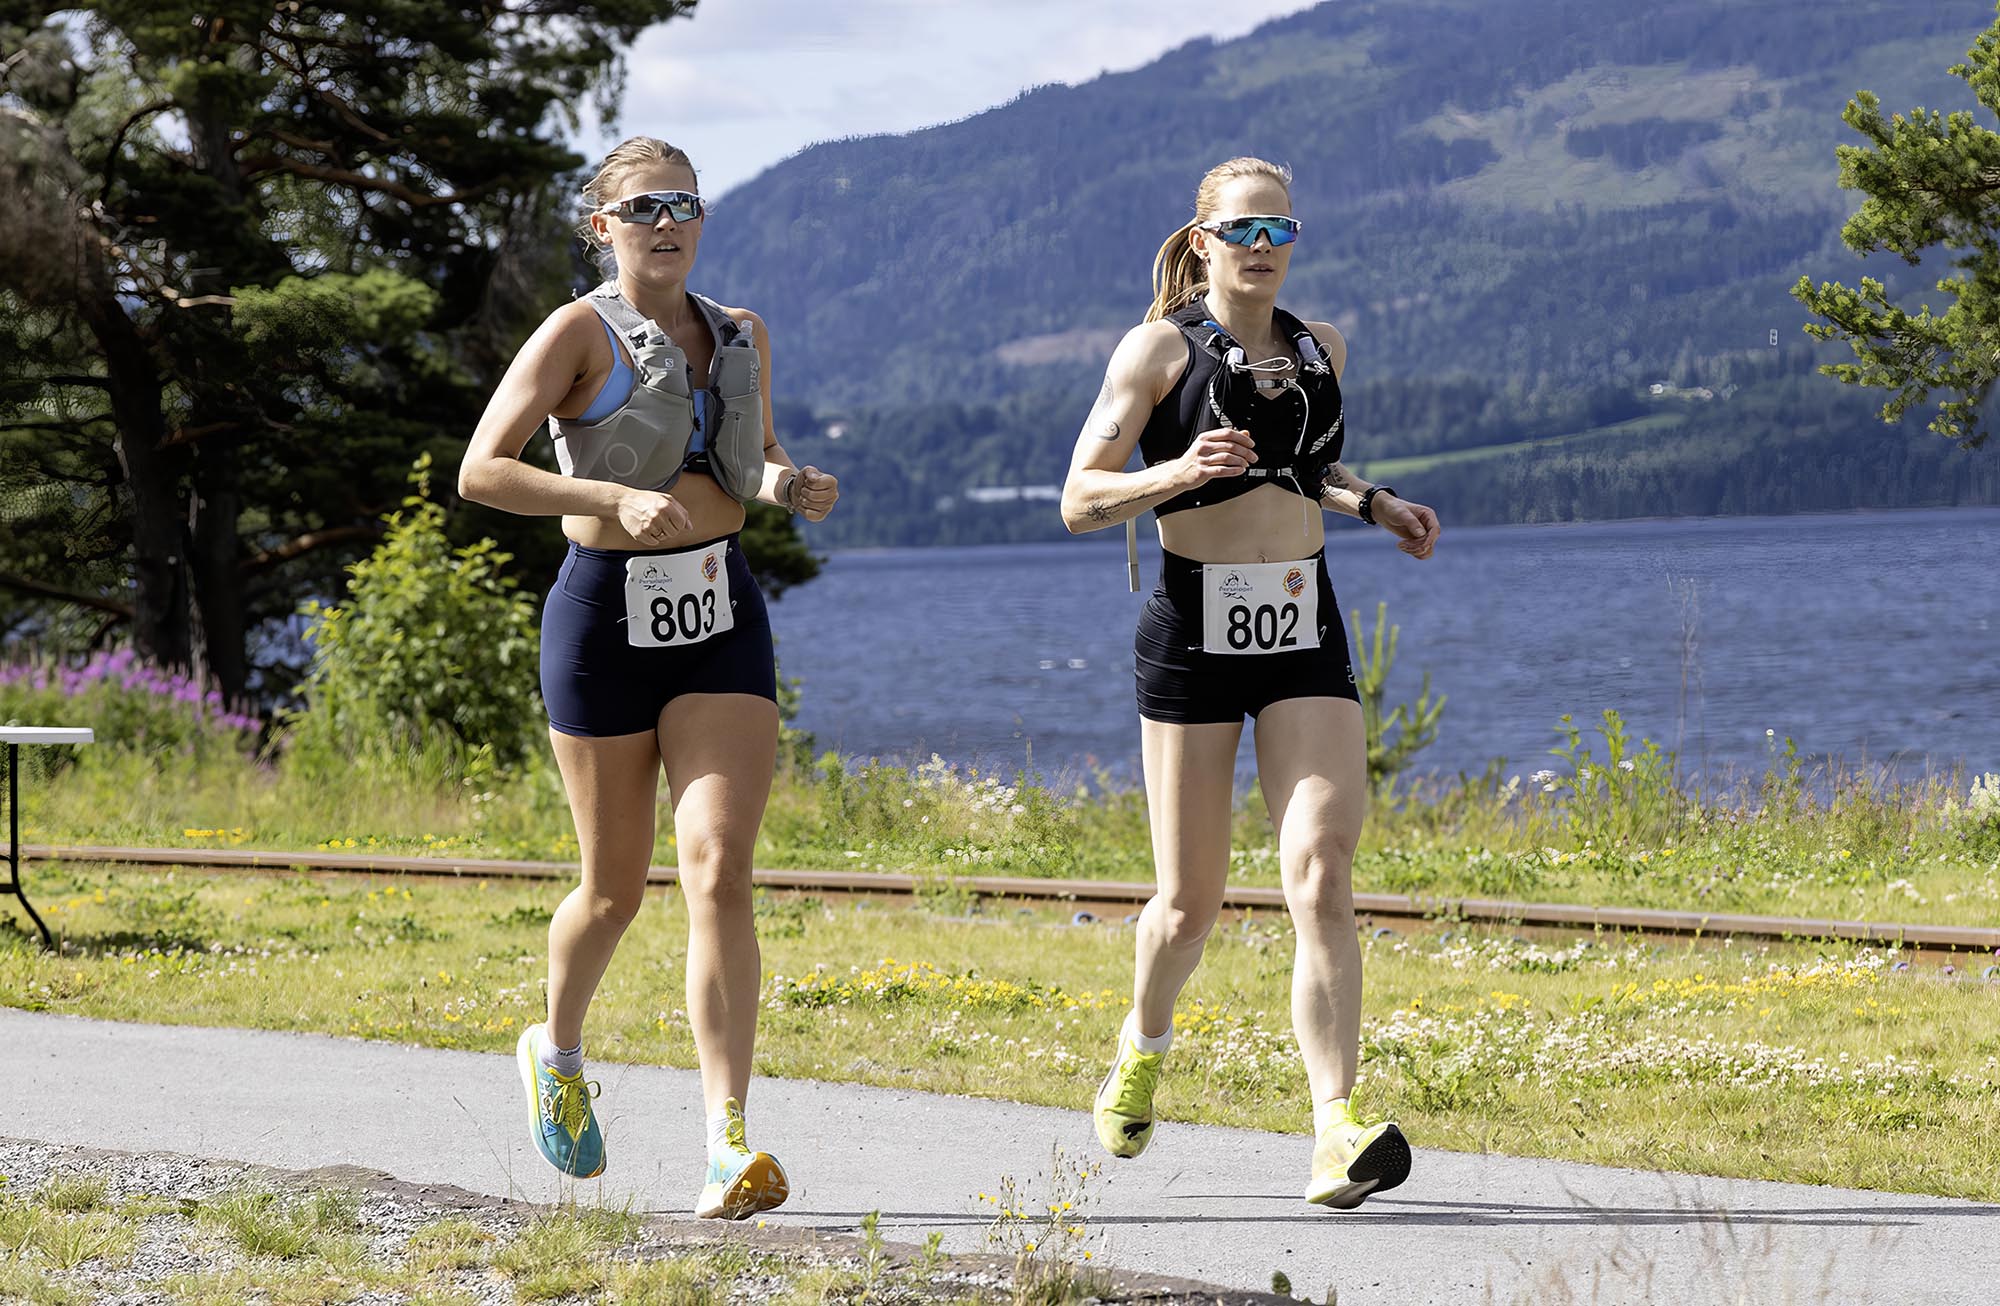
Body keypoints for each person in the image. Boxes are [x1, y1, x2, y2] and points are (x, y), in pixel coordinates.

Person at [460, 136, 837, 1220]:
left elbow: (747, 457)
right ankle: (557, 1047)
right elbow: (481, 469)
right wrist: (609, 501)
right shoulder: (575, 332)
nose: (664, 221)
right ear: (602, 225)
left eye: (682, 203)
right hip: (601, 621)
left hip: (718, 610)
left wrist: (786, 482)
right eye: (640, 207)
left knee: (718, 867)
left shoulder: (738, 331)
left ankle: (727, 1142)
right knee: (614, 888)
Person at [1059, 156, 1440, 1209]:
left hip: (1298, 619)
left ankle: (1333, 1130)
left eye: (1278, 230)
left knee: (1318, 864)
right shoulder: (1155, 351)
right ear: (1201, 242)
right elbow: (1078, 498)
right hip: (1190, 626)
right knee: (1187, 907)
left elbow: (1298, 463)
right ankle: (1142, 1042)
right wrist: (1177, 472)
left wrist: (1375, 505)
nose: (1261, 248)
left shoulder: (1321, 347)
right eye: (1241, 231)